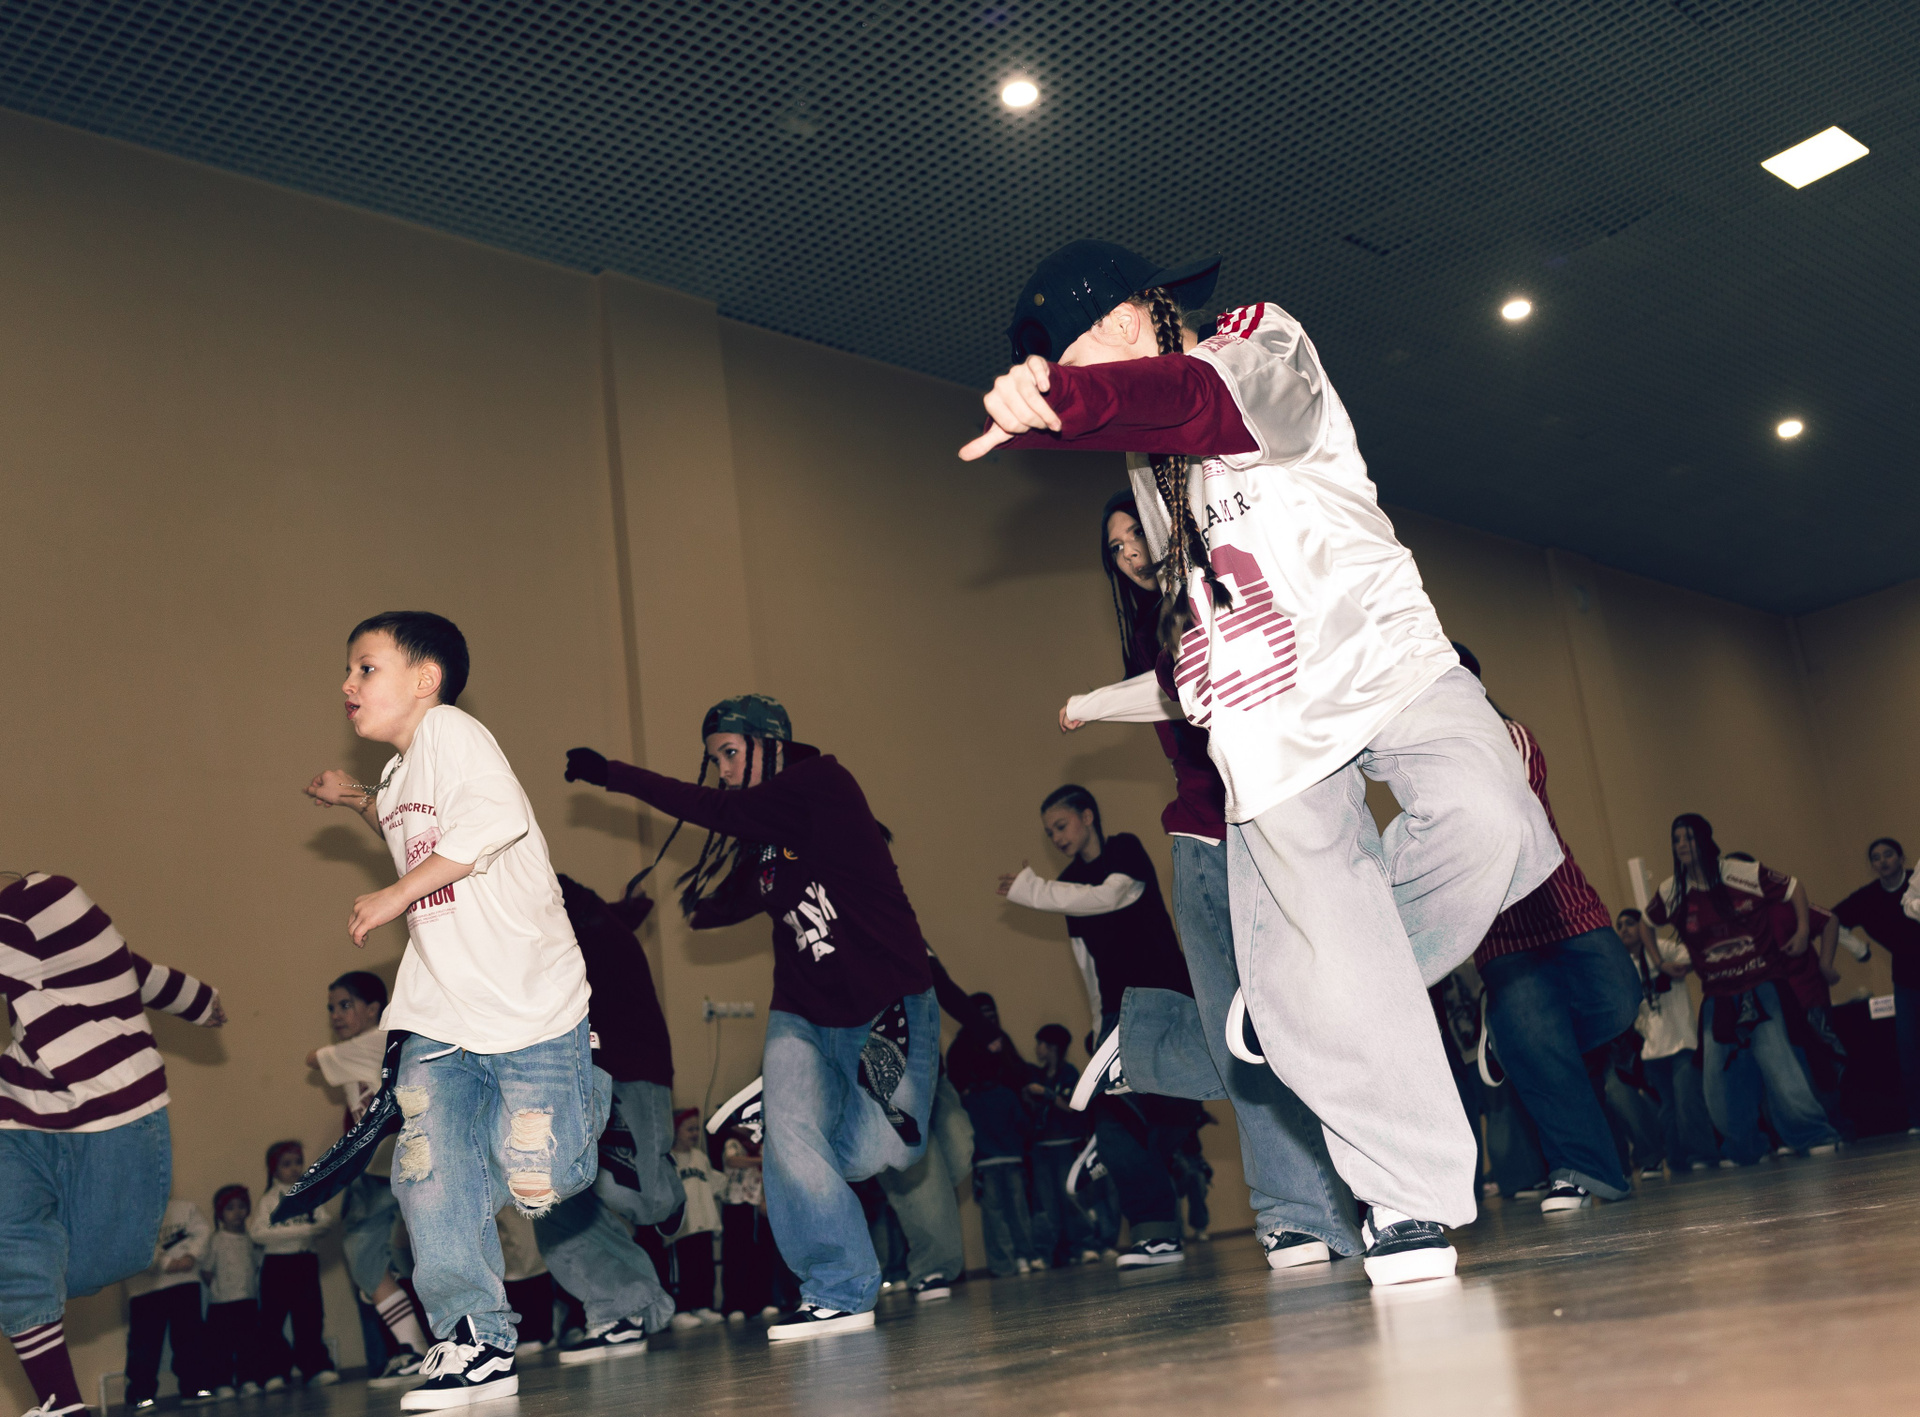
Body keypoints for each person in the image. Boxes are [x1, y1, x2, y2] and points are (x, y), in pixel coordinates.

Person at [967, 241, 1560, 1284]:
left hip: (1385, 657)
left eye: (1088, 351)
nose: (1092, 377)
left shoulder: (1261, 342)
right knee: (1335, 938)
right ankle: (1407, 1198)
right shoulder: (1144, 471)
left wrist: (1068, 399)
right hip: (1270, 715)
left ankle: (1290, 1004)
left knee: (1493, 818)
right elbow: (1202, 584)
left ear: (1135, 316)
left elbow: (1204, 403)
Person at [1053, 492, 1364, 1272]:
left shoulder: (1218, 590)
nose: (1129, 551)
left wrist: (1093, 703)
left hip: (1275, 822)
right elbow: (1169, 692)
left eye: (1136, 533)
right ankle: (1296, 1213)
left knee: (1306, 1016)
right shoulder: (1148, 635)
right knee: (1239, 1027)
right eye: (1115, 545)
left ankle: (1151, 1047)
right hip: (1201, 835)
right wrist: (1094, 703)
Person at [565, 694, 939, 1341]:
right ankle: (838, 1289)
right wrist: (708, 910)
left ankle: (810, 1119)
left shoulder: (824, 783)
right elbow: (759, 886)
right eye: (716, 760)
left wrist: (615, 775)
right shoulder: (770, 840)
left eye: (731, 753)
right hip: (802, 1012)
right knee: (791, 1146)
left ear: (772, 743)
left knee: (884, 1151)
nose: (725, 770)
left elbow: (718, 811)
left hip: (886, 998)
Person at [303, 610, 603, 1408]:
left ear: (426, 678)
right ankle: (473, 1337)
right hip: (439, 1010)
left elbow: (497, 819)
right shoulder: (403, 771)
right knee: (425, 1168)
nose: (347, 683)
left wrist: (395, 894)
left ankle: (588, 1096)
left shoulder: (453, 732)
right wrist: (351, 796)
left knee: (544, 1174)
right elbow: (398, 817)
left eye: (365, 667)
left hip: (530, 1003)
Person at [1, 871, 227, 1417]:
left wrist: (200, 1001)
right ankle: (62, 1404)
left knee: (106, 1260)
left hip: (114, 1112)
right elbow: (138, 972)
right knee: (14, 1247)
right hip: (22, 1115)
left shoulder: (41, 895)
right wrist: (200, 1001)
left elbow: (130, 970)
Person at [1444, 645, 1645, 1212]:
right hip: (1500, 926)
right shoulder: (1427, 760)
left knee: (1620, 999)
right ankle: (1579, 1168)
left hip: (1562, 905)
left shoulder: (1513, 739)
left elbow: (1510, 812)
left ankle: (1516, 1038)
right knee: (1540, 1040)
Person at [998, 786, 1198, 1268]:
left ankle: (1117, 1147)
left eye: (1061, 826)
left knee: (1177, 1116)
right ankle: (1155, 1233)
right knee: (1116, 1121)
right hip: (1116, 1016)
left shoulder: (1124, 850)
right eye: (1049, 833)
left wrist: (1033, 890)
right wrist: (1096, 1025)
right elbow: (1086, 963)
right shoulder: (1068, 885)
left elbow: (1111, 896)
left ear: (1087, 816)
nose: (1056, 838)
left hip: (1168, 1001)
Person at [1629, 815, 1839, 1163]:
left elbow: (1794, 888)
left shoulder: (1742, 873)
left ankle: (1814, 1134)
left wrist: (1803, 932)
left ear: (1704, 840)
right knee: (1718, 1081)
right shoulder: (1672, 891)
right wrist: (1660, 961)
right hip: (1718, 997)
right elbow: (1645, 924)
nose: (1681, 845)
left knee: (1778, 1064)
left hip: (1762, 986)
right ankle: (1745, 1147)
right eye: (1676, 839)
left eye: (1688, 838)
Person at [534, 874, 680, 1364]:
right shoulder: (583, 920)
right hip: (567, 1078)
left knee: (634, 1193)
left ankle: (665, 1188)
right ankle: (622, 1307)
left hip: (633, 1068)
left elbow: (598, 918)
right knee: (549, 1197)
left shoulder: (575, 913)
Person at [304, 971, 431, 1382]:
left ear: (375, 1008)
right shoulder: (365, 1048)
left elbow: (313, 1058)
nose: (336, 1015)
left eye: (345, 1005)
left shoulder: (377, 1041)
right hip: (375, 1169)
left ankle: (433, 1343)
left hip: (400, 1162)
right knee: (367, 1257)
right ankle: (414, 1348)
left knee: (405, 1252)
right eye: (331, 1008)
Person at [1617, 910, 1720, 1172]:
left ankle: (1702, 1154)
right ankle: (1676, 1160)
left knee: (1688, 1102)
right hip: (1651, 1049)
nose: (1624, 929)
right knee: (1666, 1109)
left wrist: (1660, 963)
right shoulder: (1622, 965)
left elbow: (1692, 956)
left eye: (1630, 923)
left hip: (1681, 1042)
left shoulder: (1662, 948)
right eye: (1619, 926)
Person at [1836, 839, 1920, 1133]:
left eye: (1888, 855)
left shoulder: (1916, 882)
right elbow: (1831, 920)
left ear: (1901, 858)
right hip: (1906, 977)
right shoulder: (1868, 898)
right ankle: (1917, 1117)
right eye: (1876, 857)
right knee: (1909, 1050)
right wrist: (1859, 950)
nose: (1883, 861)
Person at [951, 1027, 1041, 1277]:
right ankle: (1026, 1256)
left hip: (986, 1163)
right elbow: (1022, 1125)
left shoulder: (969, 1102)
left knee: (995, 1216)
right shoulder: (1007, 1095)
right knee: (1019, 1212)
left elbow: (964, 1134)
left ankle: (1005, 1264)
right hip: (1012, 1159)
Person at [249, 1142, 337, 1390]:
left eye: (298, 1162)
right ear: (274, 1169)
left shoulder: (310, 1192)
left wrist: (295, 1232)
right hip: (277, 1264)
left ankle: (315, 1367)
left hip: (305, 1261)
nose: (294, 1168)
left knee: (310, 1317)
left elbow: (325, 1223)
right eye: (286, 1164)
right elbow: (258, 1234)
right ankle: (274, 1371)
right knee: (272, 1319)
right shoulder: (268, 1200)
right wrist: (304, 1231)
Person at [124, 1197, 213, 1409]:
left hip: (185, 1282)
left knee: (190, 1338)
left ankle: (194, 1387)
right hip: (146, 1287)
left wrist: (191, 1256)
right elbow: (132, 1242)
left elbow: (203, 1232)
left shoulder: (186, 1208)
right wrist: (165, 1262)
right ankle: (141, 1395)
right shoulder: (130, 1212)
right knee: (145, 1344)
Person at [1026, 1025, 1096, 1266]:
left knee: (1071, 1196)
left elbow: (1072, 1107)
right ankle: (1048, 1253)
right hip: (1041, 1146)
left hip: (1065, 1145)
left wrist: (1046, 1094)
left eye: (1041, 1044)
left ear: (1052, 1047)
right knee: (1046, 1203)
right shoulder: (1036, 1075)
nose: (1037, 1049)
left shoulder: (1069, 1074)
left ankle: (1085, 1245)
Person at [664, 1111, 725, 1328]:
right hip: (682, 1226)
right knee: (684, 1268)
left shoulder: (700, 1157)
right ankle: (681, 1309)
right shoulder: (668, 1159)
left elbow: (715, 1183)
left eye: (697, 1129)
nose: (695, 1133)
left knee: (704, 1266)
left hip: (703, 1220)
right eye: (689, 1129)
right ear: (675, 1131)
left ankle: (703, 1306)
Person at [201, 1186, 263, 1398]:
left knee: (249, 1343)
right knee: (221, 1346)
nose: (237, 1212)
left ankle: (248, 1379)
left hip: (247, 1300)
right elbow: (207, 1270)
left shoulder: (252, 1239)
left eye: (241, 1206)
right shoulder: (216, 1240)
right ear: (220, 1213)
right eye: (230, 1208)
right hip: (222, 1303)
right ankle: (222, 1382)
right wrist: (219, 1288)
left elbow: (256, 1265)